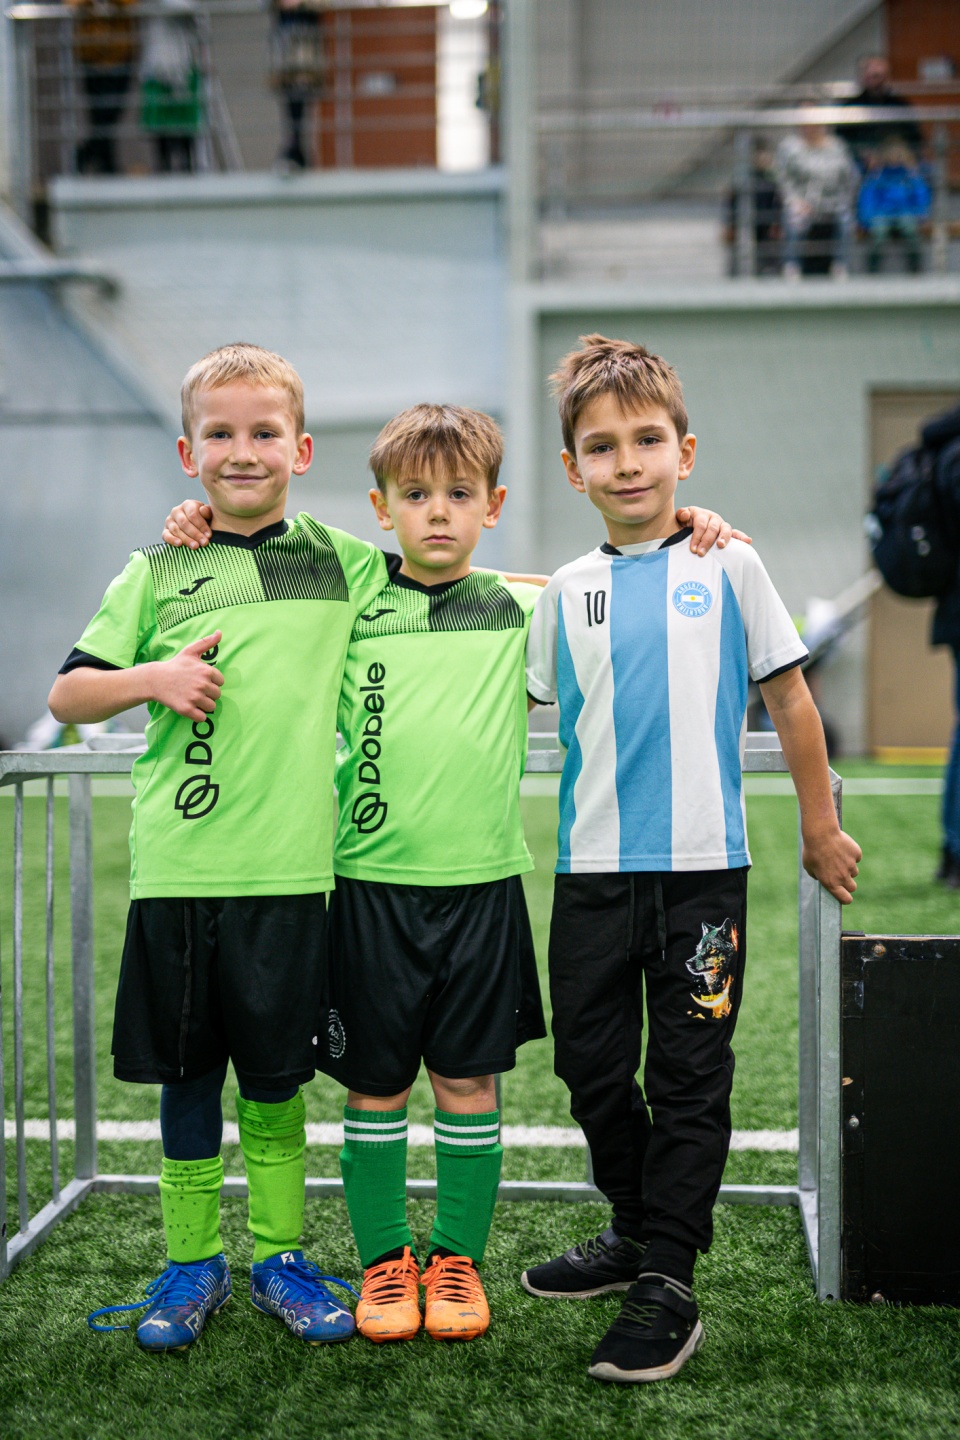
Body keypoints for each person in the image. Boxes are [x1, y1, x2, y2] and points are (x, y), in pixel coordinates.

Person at [161, 425, 746, 1348]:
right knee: (375, 1089)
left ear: (494, 506)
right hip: (370, 889)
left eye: (460, 495)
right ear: (380, 508)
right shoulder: (351, 594)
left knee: (469, 1082)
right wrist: (195, 517)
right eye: (416, 496)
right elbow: (261, 532)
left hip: (483, 889)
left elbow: (620, 576)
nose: (438, 514)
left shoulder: (527, 606)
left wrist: (697, 526)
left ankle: (456, 1260)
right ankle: (386, 1262)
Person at [522, 334, 861, 1386]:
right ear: (572, 468)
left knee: (689, 1077)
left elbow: (791, 701)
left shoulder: (731, 564)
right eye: (602, 447)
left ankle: (668, 1277)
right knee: (587, 1067)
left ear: (686, 451)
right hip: (589, 875)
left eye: (647, 441)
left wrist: (818, 824)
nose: (628, 463)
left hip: (704, 878)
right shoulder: (563, 589)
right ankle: (634, 1228)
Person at [48, 343, 388, 1352]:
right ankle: (193, 1263)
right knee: (189, 1080)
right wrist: (151, 678)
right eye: (222, 433)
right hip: (181, 874)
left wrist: (679, 536)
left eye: (264, 432)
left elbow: (461, 574)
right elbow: (69, 693)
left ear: (302, 449)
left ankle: (280, 1259)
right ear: (188, 451)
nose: (244, 451)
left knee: (277, 1085)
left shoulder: (344, 562)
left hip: (292, 875)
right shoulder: (156, 569)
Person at [775, 123, 859, 277]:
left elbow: (849, 177)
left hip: (834, 201)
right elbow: (783, 179)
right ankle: (791, 266)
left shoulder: (837, 146)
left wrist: (843, 200)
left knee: (846, 218)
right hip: (802, 202)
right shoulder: (790, 147)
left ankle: (841, 266)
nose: (812, 128)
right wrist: (795, 200)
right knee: (794, 218)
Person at [67, 0, 139, 175]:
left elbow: (133, 4)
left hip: (121, 52)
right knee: (98, 112)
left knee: (113, 110)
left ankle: (89, 153)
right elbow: (70, 4)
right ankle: (105, 163)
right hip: (91, 53)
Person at [857, 136, 931, 274]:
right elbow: (867, 199)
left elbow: (921, 196)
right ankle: (872, 271)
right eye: (890, 155)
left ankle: (916, 270)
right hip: (881, 215)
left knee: (910, 230)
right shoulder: (876, 176)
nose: (894, 159)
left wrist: (921, 215)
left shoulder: (911, 176)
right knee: (879, 232)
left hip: (906, 213)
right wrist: (866, 220)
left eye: (898, 155)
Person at [842, 54, 924, 173]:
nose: (876, 82)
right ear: (863, 76)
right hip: (861, 159)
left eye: (880, 76)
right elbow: (843, 140)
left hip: (897, 157)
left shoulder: (900, 104)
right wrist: (862, 154)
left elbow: (914, 136)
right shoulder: (850, 106)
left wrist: (901, 153)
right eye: (872, 76)